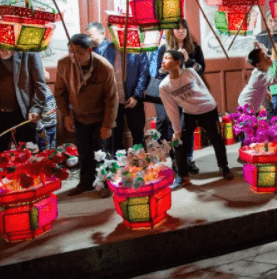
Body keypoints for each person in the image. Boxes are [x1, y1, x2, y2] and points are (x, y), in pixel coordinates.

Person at [55, 34, 118, 196]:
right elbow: (60, 93)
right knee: (84, 153)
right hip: (79, 116)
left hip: (100, 118)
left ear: (89, 50)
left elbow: (112, 98)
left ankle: (105, 184)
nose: (73, 56)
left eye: (77, 52)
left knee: (103, 154)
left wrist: (107, 125)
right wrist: (67, 115)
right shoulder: (64, 64)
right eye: (70, 51)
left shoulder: (104, 67)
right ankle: (85, 183)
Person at [159, 50, 232, 189]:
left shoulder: (190, 73)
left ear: (178, 62)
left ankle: (224, 167)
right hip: (189, 114)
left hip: (208, 110)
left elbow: (203, 89)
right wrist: (177, 130)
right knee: (177, 143)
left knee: (216, 139)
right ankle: (183, 176)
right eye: (162, 59)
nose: (162, 61)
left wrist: (209, 104)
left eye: (167, 58)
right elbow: (172, 109)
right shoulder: (164, 86)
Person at [86, 22, 149, 155]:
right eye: (115, 31)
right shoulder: (106, 49)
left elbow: (144, 74)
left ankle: (142, 163)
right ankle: (119, 167)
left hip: (133, 99)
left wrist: (136, 96)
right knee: (116, 136)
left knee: (138, 134)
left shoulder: (137, 49)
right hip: (113, 102)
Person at [153, 19, 205, 174]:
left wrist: (189, 61)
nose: (181, 31)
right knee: (173, 127)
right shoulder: (164, 49)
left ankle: (188, 159)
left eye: (184, 29)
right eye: (177, 29)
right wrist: (170, 62)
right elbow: (159, 72)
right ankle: (176, 160)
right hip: (171, 94)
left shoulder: (194, 48)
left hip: (189, 94)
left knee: (187, 126)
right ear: (172, 31)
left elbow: (201, 70)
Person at [0, 47, 47, 155]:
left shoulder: (28, 52)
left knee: (28, 157)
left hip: (23, 114)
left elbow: (40, 86)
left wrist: (36, 109)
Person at [238, 42, 277, 115]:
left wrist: (267, 93)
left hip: (253, 103)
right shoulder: (259, 76)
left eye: (267, 55)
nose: (269, 57)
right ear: (259, 65)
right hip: (247, 104)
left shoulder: (262, 69)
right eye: (265, 57)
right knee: (249, 124)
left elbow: (261, 85)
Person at [36, 69, 58, 150]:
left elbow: (52, 104)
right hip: (44, 129)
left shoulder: (46, 87)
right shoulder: (38, 92)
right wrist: (40, 129)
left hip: (52, 125)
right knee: (45, 151)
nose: (48, 72)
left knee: (53, 149)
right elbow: (36, 114)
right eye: (45, 70)